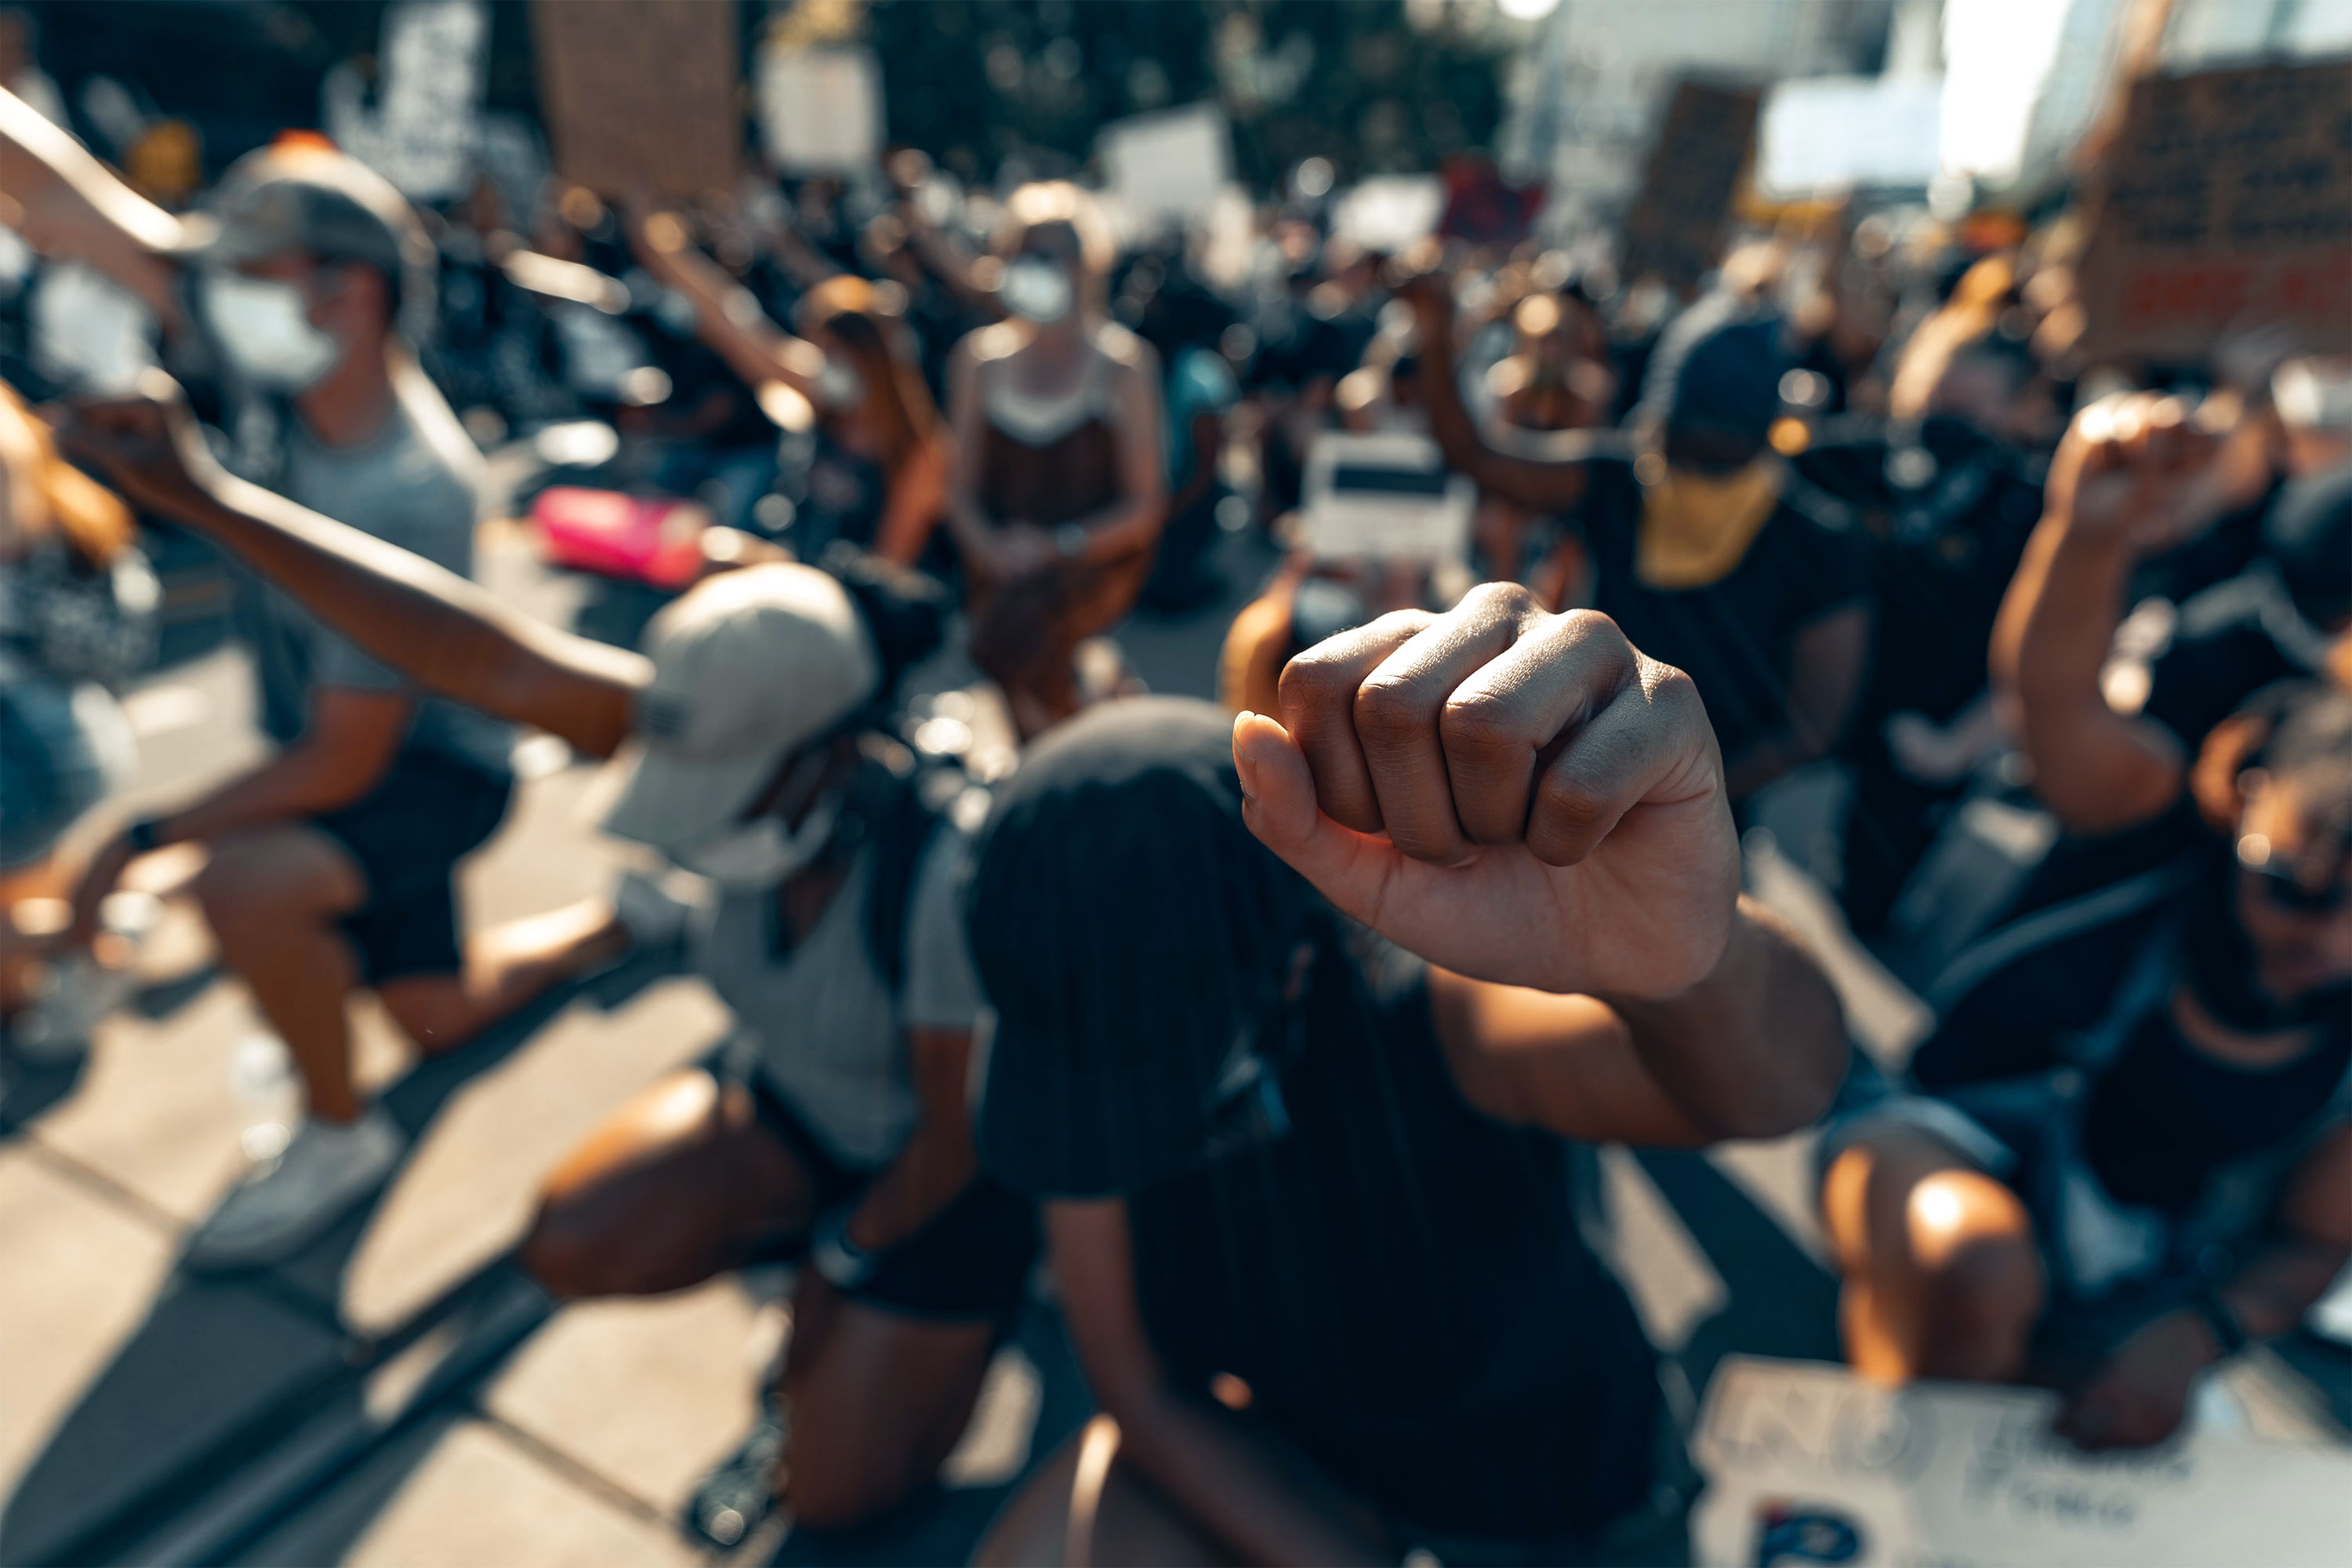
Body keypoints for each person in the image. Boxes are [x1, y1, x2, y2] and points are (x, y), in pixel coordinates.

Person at [60, 382, 1039, 1534]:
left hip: (939, 1175)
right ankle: (812, 1286)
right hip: (796, 1108)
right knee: (572, 1238)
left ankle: (925, 1323)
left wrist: (843, 1264)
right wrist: (209, 499)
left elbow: (954, 1138)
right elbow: (469, 650)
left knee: (831, 1495)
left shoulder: (944, 864)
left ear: (835, 748)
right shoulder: (719, 713)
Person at [967, 586, 1849, 1564]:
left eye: (1152, 1063)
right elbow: (1140, 1392)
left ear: (1295, 967)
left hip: (1568, 1509)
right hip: (1326, 1484)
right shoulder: (1068, 1073)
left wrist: (1688, 963)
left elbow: (1777, 1089)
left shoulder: (1437, 1022)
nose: (1118, 1115)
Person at [33, 143, 608, 1268]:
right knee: (435, 1010)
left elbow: (348, 766)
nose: (214, 291)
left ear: (345, 290)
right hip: (343, 749)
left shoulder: (407, 485)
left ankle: (337, 1134)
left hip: (427, 777)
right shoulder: (280, 369)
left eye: (249, 270)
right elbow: (68, 206)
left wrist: (137, 845)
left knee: (240, 888)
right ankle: (624, 919)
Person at [1818, 678, 2351, 1451]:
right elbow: (2050, 681)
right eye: (2293, 885)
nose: (2331, 939)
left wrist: (2201, 1333)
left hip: (2130, 1281)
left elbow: (2313, 1241)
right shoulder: (2139, 840)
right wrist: (2095, 548)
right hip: (1932, 1148)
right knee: (1975, 1266)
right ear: (2245, 803)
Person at [1407, 276, 1872, 804]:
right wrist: (1436, 330)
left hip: (1695, 814)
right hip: (1567, 776)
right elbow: (1475, 456)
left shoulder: (1824, 546)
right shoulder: (1622, 481)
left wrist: (1675, 793)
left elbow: (1810, 727)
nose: (1695, 476)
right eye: (1684, 450)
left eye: (1720, 458)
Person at [944, 181, 1166, 740]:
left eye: (1049, 254)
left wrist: (1058, 547)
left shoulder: (1125, 366)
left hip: (1087, 564)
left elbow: (1144, 506)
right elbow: (959, 491)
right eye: (1022, 253)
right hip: (1003, 568)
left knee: (1020, 645)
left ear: (1084, 265)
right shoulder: (977, 361)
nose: (1033, 268)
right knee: (1010, 646)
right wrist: (991, 550)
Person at [626, 205, 953, 568]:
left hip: (856, 604)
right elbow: (729, 318)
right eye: (818, 350)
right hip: (792, 570)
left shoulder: (918, 452)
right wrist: (654, 241)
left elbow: (887, 569)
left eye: (835, 353)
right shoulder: (823, 398)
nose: (825, 364)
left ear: (872, 359)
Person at [0, 382, 151, 1057]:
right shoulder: (44, 466)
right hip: (64, 726)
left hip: (32, 747)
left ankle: (94, 937)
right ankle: (93, 934)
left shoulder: (16, 473)